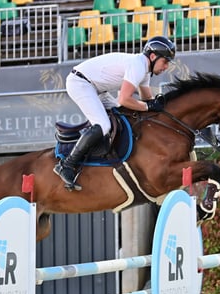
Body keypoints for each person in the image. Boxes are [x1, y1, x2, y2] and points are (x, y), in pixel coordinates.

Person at [54, 36, 176, 191]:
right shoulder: (138, 66)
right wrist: (148, 106)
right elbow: (125, 99)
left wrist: (159, 106)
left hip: (96, 88)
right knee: (103, 125)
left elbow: (147, 99)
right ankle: (67, 165)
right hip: (80, 83)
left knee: (122, 115)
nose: (166, 66)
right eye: (165, 61)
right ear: (153, 56)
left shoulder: (144, 70)